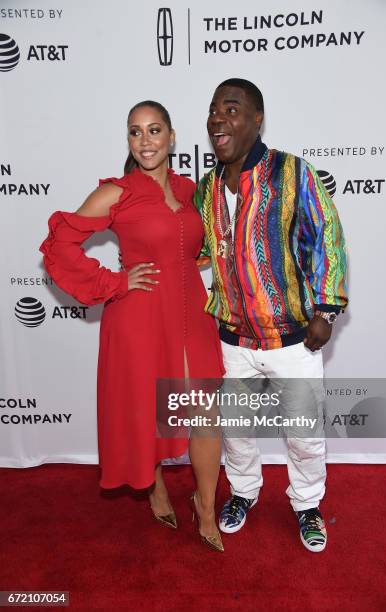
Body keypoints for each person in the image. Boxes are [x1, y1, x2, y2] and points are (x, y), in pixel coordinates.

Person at [40, 101, 225, 552]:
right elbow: (59, 244)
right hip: (138, 317)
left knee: (206, 415)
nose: (145, 141)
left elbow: (199, 240)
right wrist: (114, 281)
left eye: (154, 130)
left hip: (192, 313)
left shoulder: (191, 191)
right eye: (135, 132)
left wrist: (198, 257)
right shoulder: (116, 192)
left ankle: (205, 506)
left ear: (172, 136)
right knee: (148, 410)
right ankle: (156, 487)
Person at [194, 78, 348, 552]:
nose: (219, 118)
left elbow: (325, 236)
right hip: (232, 339)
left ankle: (307, 504)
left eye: (232, 109)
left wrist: (325, 310)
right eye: (214, 110)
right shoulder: (207, 187)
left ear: (257, 119)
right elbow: (199, 250)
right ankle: (243, 491)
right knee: (236, 429)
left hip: (292, 337)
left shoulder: (293, 172)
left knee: (303, 431)